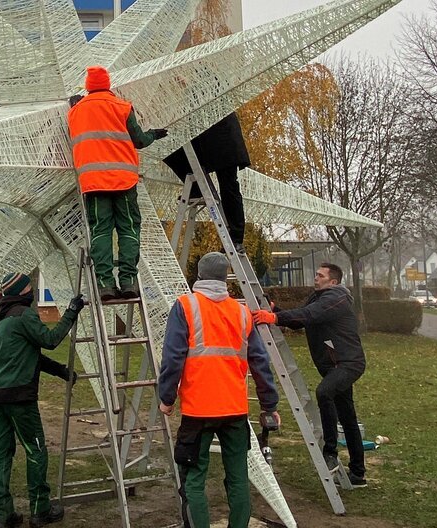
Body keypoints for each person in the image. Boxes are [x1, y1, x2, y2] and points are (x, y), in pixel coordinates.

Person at [158, 252, 280, 528]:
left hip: (198, 411)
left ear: (198, 275)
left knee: (194, 478)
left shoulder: (185, 306)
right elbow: (260, 362)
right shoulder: (240, 312)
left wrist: (166, 398)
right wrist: (269, 405)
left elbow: (173, 357)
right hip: (235, 411)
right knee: (237, 477)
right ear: (226, 277)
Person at [251, 263, 367, 487]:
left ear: (333, 282)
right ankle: (358, 473)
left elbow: (310, 315)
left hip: (347, 363)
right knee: (348, 416)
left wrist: (273, 318)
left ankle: (330, 451)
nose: (316, 278)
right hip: (333, 364)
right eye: (316, 274)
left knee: (324, 392)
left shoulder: (337, 298)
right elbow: (299, 320)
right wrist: (276, 313)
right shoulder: (318, 298)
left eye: (320, 276)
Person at [0, 272, 86, 528]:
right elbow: (50, 340)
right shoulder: (24, 315)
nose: (32, 292)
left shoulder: (3, 320)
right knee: (36, 450)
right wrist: (72, 312)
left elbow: (31, 356)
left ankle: (4, 515)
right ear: (22, 293)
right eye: (29, 288)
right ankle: (41, 509)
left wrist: (61, 371)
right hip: (20, 397)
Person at [68, 65, 167, 301]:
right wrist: (154, 133)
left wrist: (75, 104)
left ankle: (105, 284)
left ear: (88, 86)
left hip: (93, 183)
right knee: (128, 229)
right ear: (108, 84)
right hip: (124, 181)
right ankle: (128, 280)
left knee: (101, 231)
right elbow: (140, 141)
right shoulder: (122, 107)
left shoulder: (76, 111)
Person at [162, 112, 251, 253]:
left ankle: (236, 238)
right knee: (230, 186)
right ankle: (236, 238)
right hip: (212, 138)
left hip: (222, 139)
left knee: (229, 187)